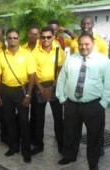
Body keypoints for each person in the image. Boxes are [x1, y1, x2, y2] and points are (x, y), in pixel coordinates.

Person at [56, 33, 110, 170]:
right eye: (81, 44)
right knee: (70, 133)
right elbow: (62, 78)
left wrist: (103, 103)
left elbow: (108, 84)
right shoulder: (71, 59)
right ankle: (69, 156)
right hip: (71, 104)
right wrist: (62, 98)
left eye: (87, 44)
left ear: (93, 44)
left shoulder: (103, 61)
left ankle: (93, 163)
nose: (83, 47)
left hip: (94, 105)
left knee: (94, 136)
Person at [0, 28, 36, 163]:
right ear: (6, 39)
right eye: (10, 38)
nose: (12, 40)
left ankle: (26, 151)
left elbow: (32, 76)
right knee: (9, 120)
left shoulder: (27, 54)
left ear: (19, 39)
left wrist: (29, 95)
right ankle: (13, 147)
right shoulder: (1, 55)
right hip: (6, 91)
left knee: (23, 121)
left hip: (21, 91)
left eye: (15, 38)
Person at [30, 26, 65, 155]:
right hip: (38, 86)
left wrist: (51, 88)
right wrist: (41, 88)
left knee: (58, 118)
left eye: (48, 37)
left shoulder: (58, 50)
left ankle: (61, 145)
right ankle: (39, 145)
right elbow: (32, 73)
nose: (46, 40)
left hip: (54, 85)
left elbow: (60, 71)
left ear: (53, 37)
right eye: (43, 37)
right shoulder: (34, 52)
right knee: (38, 118)